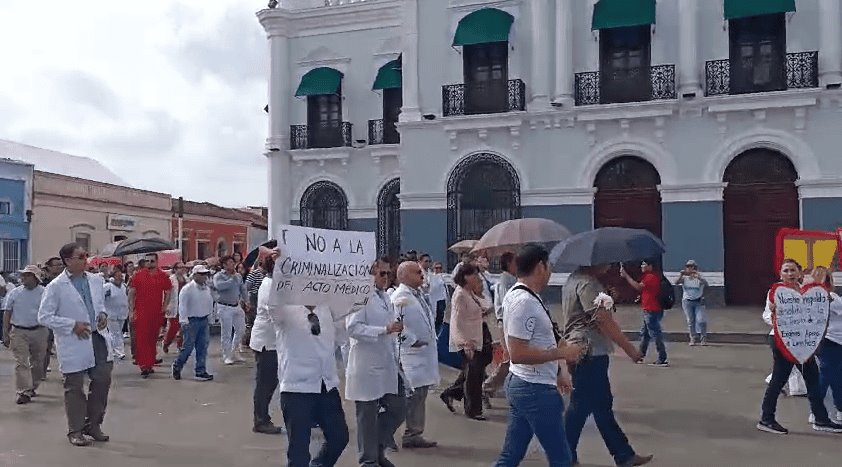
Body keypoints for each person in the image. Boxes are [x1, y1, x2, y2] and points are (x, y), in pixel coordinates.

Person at [494, 244, 582, 466]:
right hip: (534, 389)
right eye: (549, 266)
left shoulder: (528, 297)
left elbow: (548, 337)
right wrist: (563, 353)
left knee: (511, 455)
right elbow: (518, 353)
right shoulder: (523, 302)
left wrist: (559, 370)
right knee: (561, 457)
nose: (550, 271)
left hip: (527, 383)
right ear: (540, 266)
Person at [563, 263, 653, 467]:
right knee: (580, 406)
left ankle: (624, 455)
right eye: (605, 260)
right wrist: (629, 349)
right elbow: (602, 320)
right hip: (589, 351)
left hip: (583, 348)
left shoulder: (573, 280)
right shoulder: (587, 284)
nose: (609, 264)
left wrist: (608, 296)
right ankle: (564, 454)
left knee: (602, 406)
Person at [38, 243, 114, 447]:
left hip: (97, 336)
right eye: (80, 256)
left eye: (86, 255)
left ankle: (93, 424)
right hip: (74, 340)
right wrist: (72, 325)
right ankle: (76, 429)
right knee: (74, 386)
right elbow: (44, 317)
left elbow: (99, 305)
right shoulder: (56, 286)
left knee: (102, 381)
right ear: (68, 261)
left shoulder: (96, 280)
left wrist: (103, 315)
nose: (85, 259)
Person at [757, 259, 842, 434]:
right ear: (780, 274)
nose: (790, 274)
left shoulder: (808, 291)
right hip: (782, 342)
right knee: (779, 379)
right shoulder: (777, 292)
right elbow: (766, 316)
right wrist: (775, 312)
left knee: (813, 380)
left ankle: (821, 419)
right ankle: (766, 419)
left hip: (805, 343)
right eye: (786, 271)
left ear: (800, 272)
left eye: (793, 270)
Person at [268, 296, 349, 466]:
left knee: (339, 437)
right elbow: (274, 307)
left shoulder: (326, 309)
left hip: (325, 384)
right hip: (297, 388)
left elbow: (340, 339)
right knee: (298, 450)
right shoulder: (285, 308)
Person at [346, 257, 406, 467]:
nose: (387, 278)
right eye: (382, 274)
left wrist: (394, 329)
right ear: (370, 274)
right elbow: (353, 328)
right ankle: (369, 460)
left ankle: (378, 447)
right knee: (367, 417)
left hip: (386, 362)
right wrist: (384, 330)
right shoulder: (360, 296)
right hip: (366, 365)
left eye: (389, 274)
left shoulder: (385, 297)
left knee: (399, 406)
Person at [392, 260, 439, 449]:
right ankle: (388, 433)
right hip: (411, 354)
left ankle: (414, 433)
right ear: (403, 276)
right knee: (411, 397)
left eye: (421, 271)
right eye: (416, 272)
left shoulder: (418, 294)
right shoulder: (399, 297)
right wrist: (412, 340)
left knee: (419, 395)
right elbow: (395, 325)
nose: (422, 274)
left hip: (424, 354)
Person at [441, 262, 494, 420]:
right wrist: (464, 343)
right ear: (465, 277)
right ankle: (473, 410)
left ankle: (451, 392)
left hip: (478, 336)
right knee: (473, 377)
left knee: (474, 371)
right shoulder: (460, 294)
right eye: (474, 275)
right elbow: (456, 320)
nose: (477, 278)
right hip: (468, 340)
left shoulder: (470, 292)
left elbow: (479, 308)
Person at [2, 265, 48, 404]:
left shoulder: (45, 292)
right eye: (23, 275)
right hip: (19, 331)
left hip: (39, 330)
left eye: (27, 275)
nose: (23, 278)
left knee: (38, 362)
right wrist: (5, 333)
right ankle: (23, 391)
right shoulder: (15, 293)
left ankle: (32, 386)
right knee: (21, 362)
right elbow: (7, 312)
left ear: (35, 278)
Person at [250, 253, 284, 434]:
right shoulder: (270, 285)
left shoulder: (273, 284)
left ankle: (262, 417)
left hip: (272, 341)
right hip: (267, 342)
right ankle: (260, 420)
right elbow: (276, 315)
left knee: (270, 382)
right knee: (265, 383)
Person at [128, 254, 172, 378]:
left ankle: (150, 362)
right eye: (147, 261)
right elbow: (131, 293)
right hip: (141, 312)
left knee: (153, 338)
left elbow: (168, 291)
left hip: (156, 312)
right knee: (142, 338)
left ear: (157, 261)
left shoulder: (163, 276)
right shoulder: (138, 275)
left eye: (152, 261)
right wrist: (131, 310)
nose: (149, 263)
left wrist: (164, 306)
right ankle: (144, 365)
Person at [620, 259, 668, 367]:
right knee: (645, 334)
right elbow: (647, 291)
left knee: (655, 334)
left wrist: (626, 276)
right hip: (651, 308)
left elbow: (638, 286)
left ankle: (662, 357)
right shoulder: (651, 276)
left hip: (651, 309)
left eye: (644, 264)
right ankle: (640, 356)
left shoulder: (650, 277)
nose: (642, 266)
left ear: (650, 266)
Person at [171, 265, 214, 382]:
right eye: (201, 274)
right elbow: (182, 306)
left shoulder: (207, 289)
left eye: (205, 274)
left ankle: (200, 370)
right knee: (188, 347)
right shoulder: (187, 289)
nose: (204, 277)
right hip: (191, 321)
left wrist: (210, 318)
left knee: (202, 347)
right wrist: (183, 321)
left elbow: (209, 303)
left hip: (203, 320)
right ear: (194, 275)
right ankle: (177, 365)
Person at [484, 251, 517, 398]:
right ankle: (488, 386)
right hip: (507, 322)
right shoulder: (505, 281)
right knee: (509, 358)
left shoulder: (512, 279)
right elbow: (507, 303)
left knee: (512, 358)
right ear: (509, 264)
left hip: (510, 322)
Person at [812, 267, 842, 423]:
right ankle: (816, 411)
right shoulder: (831, 299)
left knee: (834, 378)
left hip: (827, 340)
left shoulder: (818, 299)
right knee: (826, 378)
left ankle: (838, 409)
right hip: (833, 341)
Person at [213, 255, 248, 365]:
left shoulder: (238, 276)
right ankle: (226, 355)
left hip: (236, 305)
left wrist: (246, 301)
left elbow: (242, 289)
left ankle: (234, 351)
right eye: (230, 262)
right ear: (224, 265)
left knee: (241, 330)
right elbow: (219, 287)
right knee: (226, 332)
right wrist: (231, 279)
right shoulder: (219, 276)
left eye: (233, 262)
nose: (233, 264)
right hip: (224, 306)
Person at [675, 259, 709, 346]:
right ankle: (693, 338)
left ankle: (703, 337)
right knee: (690, 321)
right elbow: (676, 283)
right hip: (687, 302)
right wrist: (680, 275)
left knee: (701, 320)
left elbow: (706, 284)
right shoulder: (684, 278)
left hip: (699, 301)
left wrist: (698, 277)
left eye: (692, 267)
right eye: (688, 267)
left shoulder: (699, 276)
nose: (690, 269)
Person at [41, 256, 64, 378]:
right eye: (57, 265)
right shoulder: (43, 282)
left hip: (63, 317)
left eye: (61, 265)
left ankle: (66, 372)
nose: (60, 267)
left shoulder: (66, 280)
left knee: (64, 347)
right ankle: (42, 372)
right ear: (49, 267)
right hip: (49, 318)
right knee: (46, 347)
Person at [104, 267, 129, 360]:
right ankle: (119, 352)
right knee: (116, 333)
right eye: (117, 276)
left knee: (118, 333)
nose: (119, 277)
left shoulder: (124, 286)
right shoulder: (107, 287)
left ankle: (112, 350)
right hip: (110, 314)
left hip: (122, 314)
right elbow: (101, 298)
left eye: (120, 276)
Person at [163, 262, 188, 354]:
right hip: (174, 305)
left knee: (183, 327)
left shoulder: (186, 279)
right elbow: (166, 294)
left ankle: (180, 345)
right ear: (175, 269)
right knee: (173, 327)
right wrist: (166, 306)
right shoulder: (171, 279)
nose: (182, 269)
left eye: (183, 267)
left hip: (184, 306)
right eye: (180, 267)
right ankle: (166, 342)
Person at [244, 259, 267, 347]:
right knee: (251, 321)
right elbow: (248, 287)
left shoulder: (267, 274)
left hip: (261, 297)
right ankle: (248, 341)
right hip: (253, 297)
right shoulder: (254, 273)